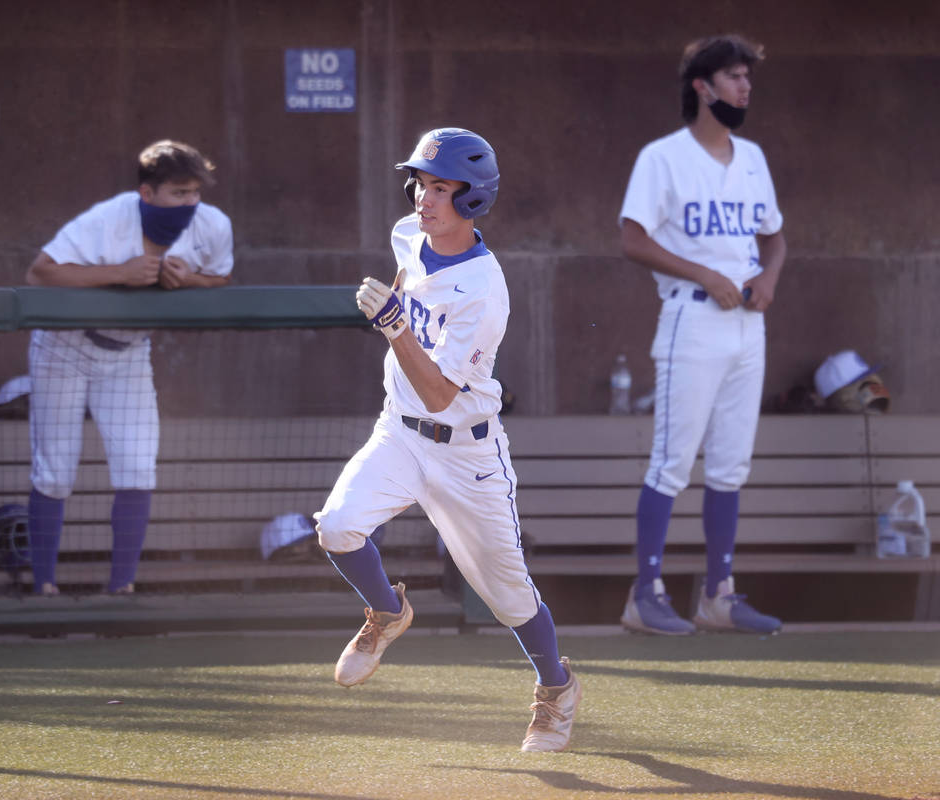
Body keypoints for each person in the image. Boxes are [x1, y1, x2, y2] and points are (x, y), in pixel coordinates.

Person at [314, 128, 581, 752]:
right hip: (399, 433)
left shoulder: (487, 290)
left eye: (441, 187)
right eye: (420, 183)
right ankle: (387, 611)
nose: (424, 198)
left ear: (473, 200)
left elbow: (442, 396)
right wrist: (399, 322)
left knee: (508, 595)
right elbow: (412, 356)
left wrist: (393, 327)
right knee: (336, 525)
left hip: (466, 451)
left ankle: (556, 687)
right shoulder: (408, 235)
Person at [618, 34, 787, 635]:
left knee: (731, 465)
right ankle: (645, 594)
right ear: (703, 86)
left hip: (748, 322)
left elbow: (774, 235)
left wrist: (769, 275)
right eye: (735, 77)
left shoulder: (752, 158)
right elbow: (633, 237)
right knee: (671, 463)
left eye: (747, 78)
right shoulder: (663, 157)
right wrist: (703, 273)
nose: (745, 88)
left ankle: (719, 594)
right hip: (691, 315)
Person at [24, 139, 233, 596]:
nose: (190, 202)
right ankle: (44, 589)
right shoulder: (110, 217)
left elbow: (221, 277)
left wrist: (188, 281)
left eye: (195, 191)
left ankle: (122, 590)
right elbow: (40, 273)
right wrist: (119, 273)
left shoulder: (212, 223)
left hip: (127, 351)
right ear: (147, 193)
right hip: (65, 346)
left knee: (138, 467)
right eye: (178, 192)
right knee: (55, 471)